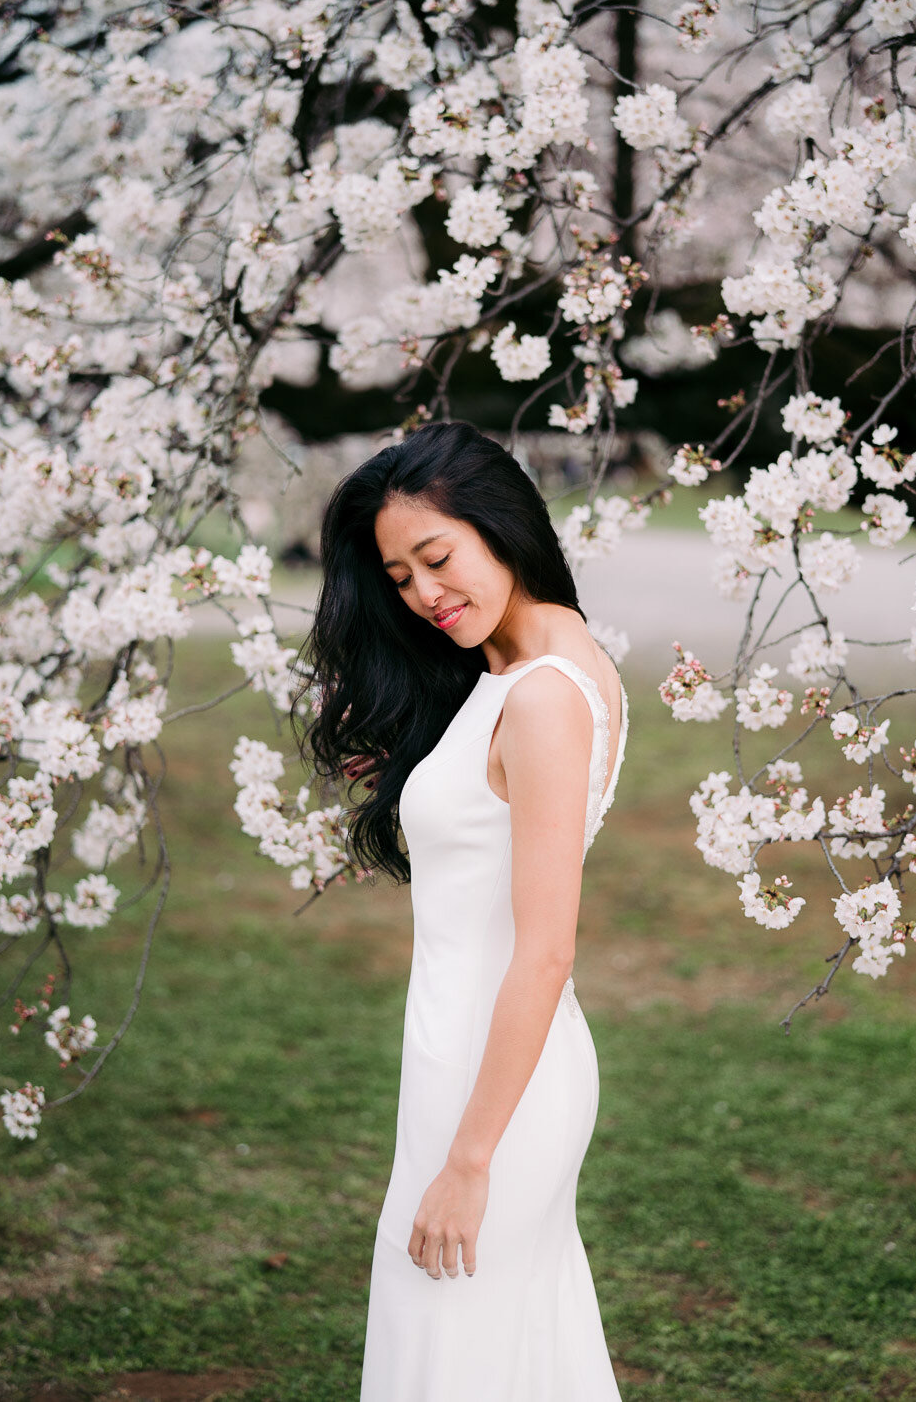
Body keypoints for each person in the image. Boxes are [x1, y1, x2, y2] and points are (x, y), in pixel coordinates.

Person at [295, 419, 628, 1400]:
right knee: (498, 1351)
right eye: (399, 578)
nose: (424, 595)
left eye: (435, 558)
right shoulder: (521, 675)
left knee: (445, 1346)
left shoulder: (540, 698)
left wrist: (469, 1161)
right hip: (465, 1056)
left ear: (502, 525)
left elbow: (544, 952)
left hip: (497, 1088)